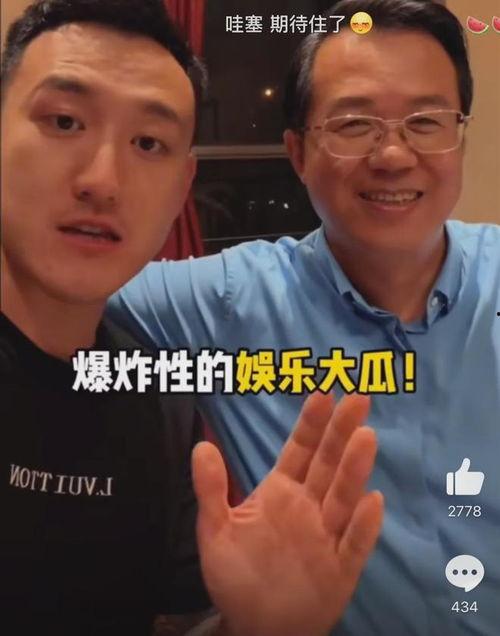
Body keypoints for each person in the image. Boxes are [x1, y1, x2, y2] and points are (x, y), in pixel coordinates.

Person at [109, 0, 500, 634]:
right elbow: (51, 283)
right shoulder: (229, 301)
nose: (393, 154)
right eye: (354, 124)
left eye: (426, 121)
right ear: (297, 153)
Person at [0, 1, 385, 635]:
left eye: (148, 143)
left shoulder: (155, 399)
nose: (103, 180)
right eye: (64, 121)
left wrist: (258, 624)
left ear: (182, 189)